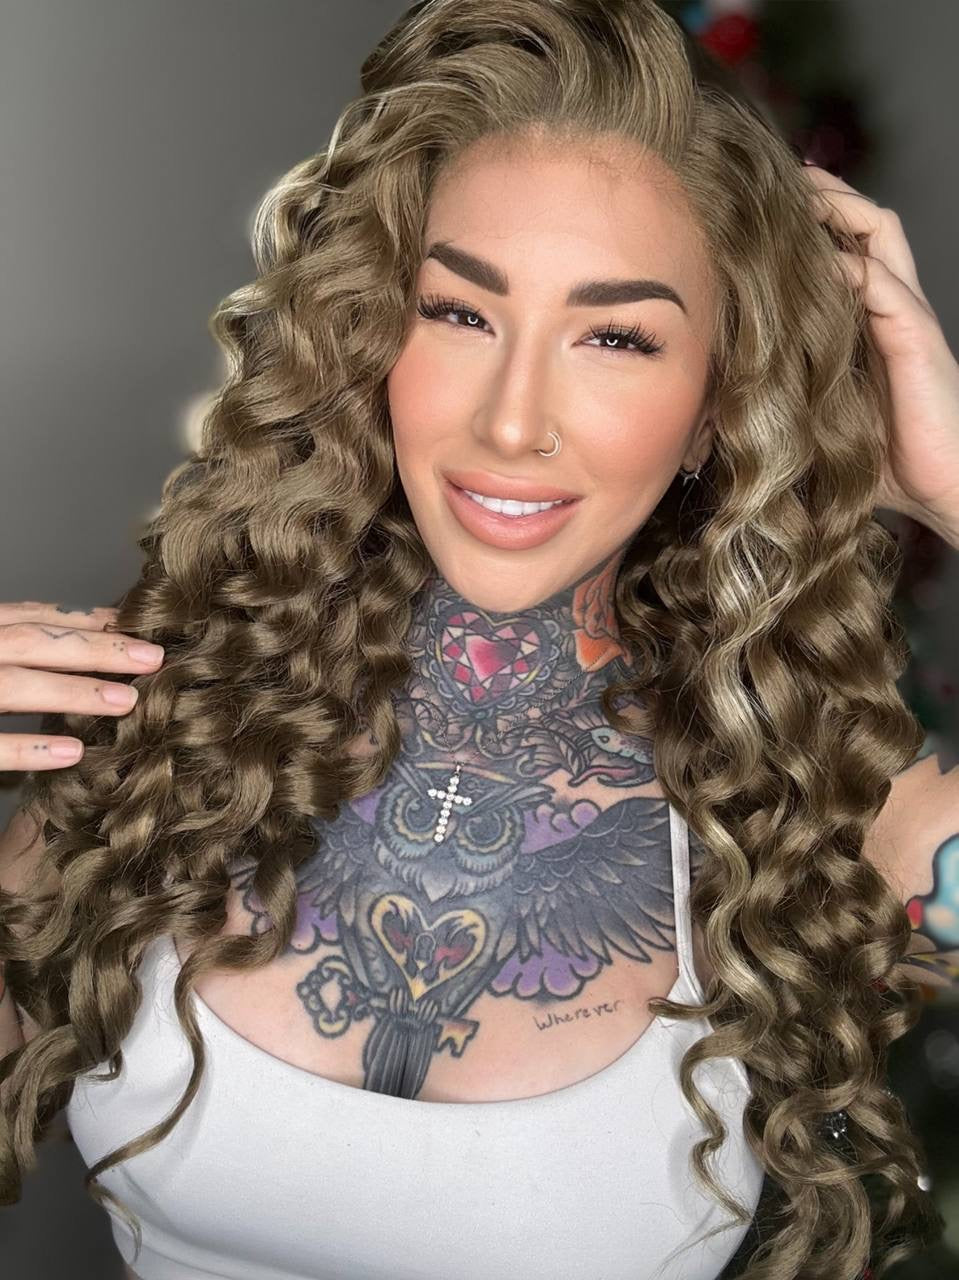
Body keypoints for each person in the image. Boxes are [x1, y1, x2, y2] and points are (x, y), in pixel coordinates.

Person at [2, 1, 957, 1277]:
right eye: (458, 312)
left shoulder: (819, 810)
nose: (512, 422)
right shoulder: (174, 717)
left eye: (614, 337)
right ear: (370, 333)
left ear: (716, 402)